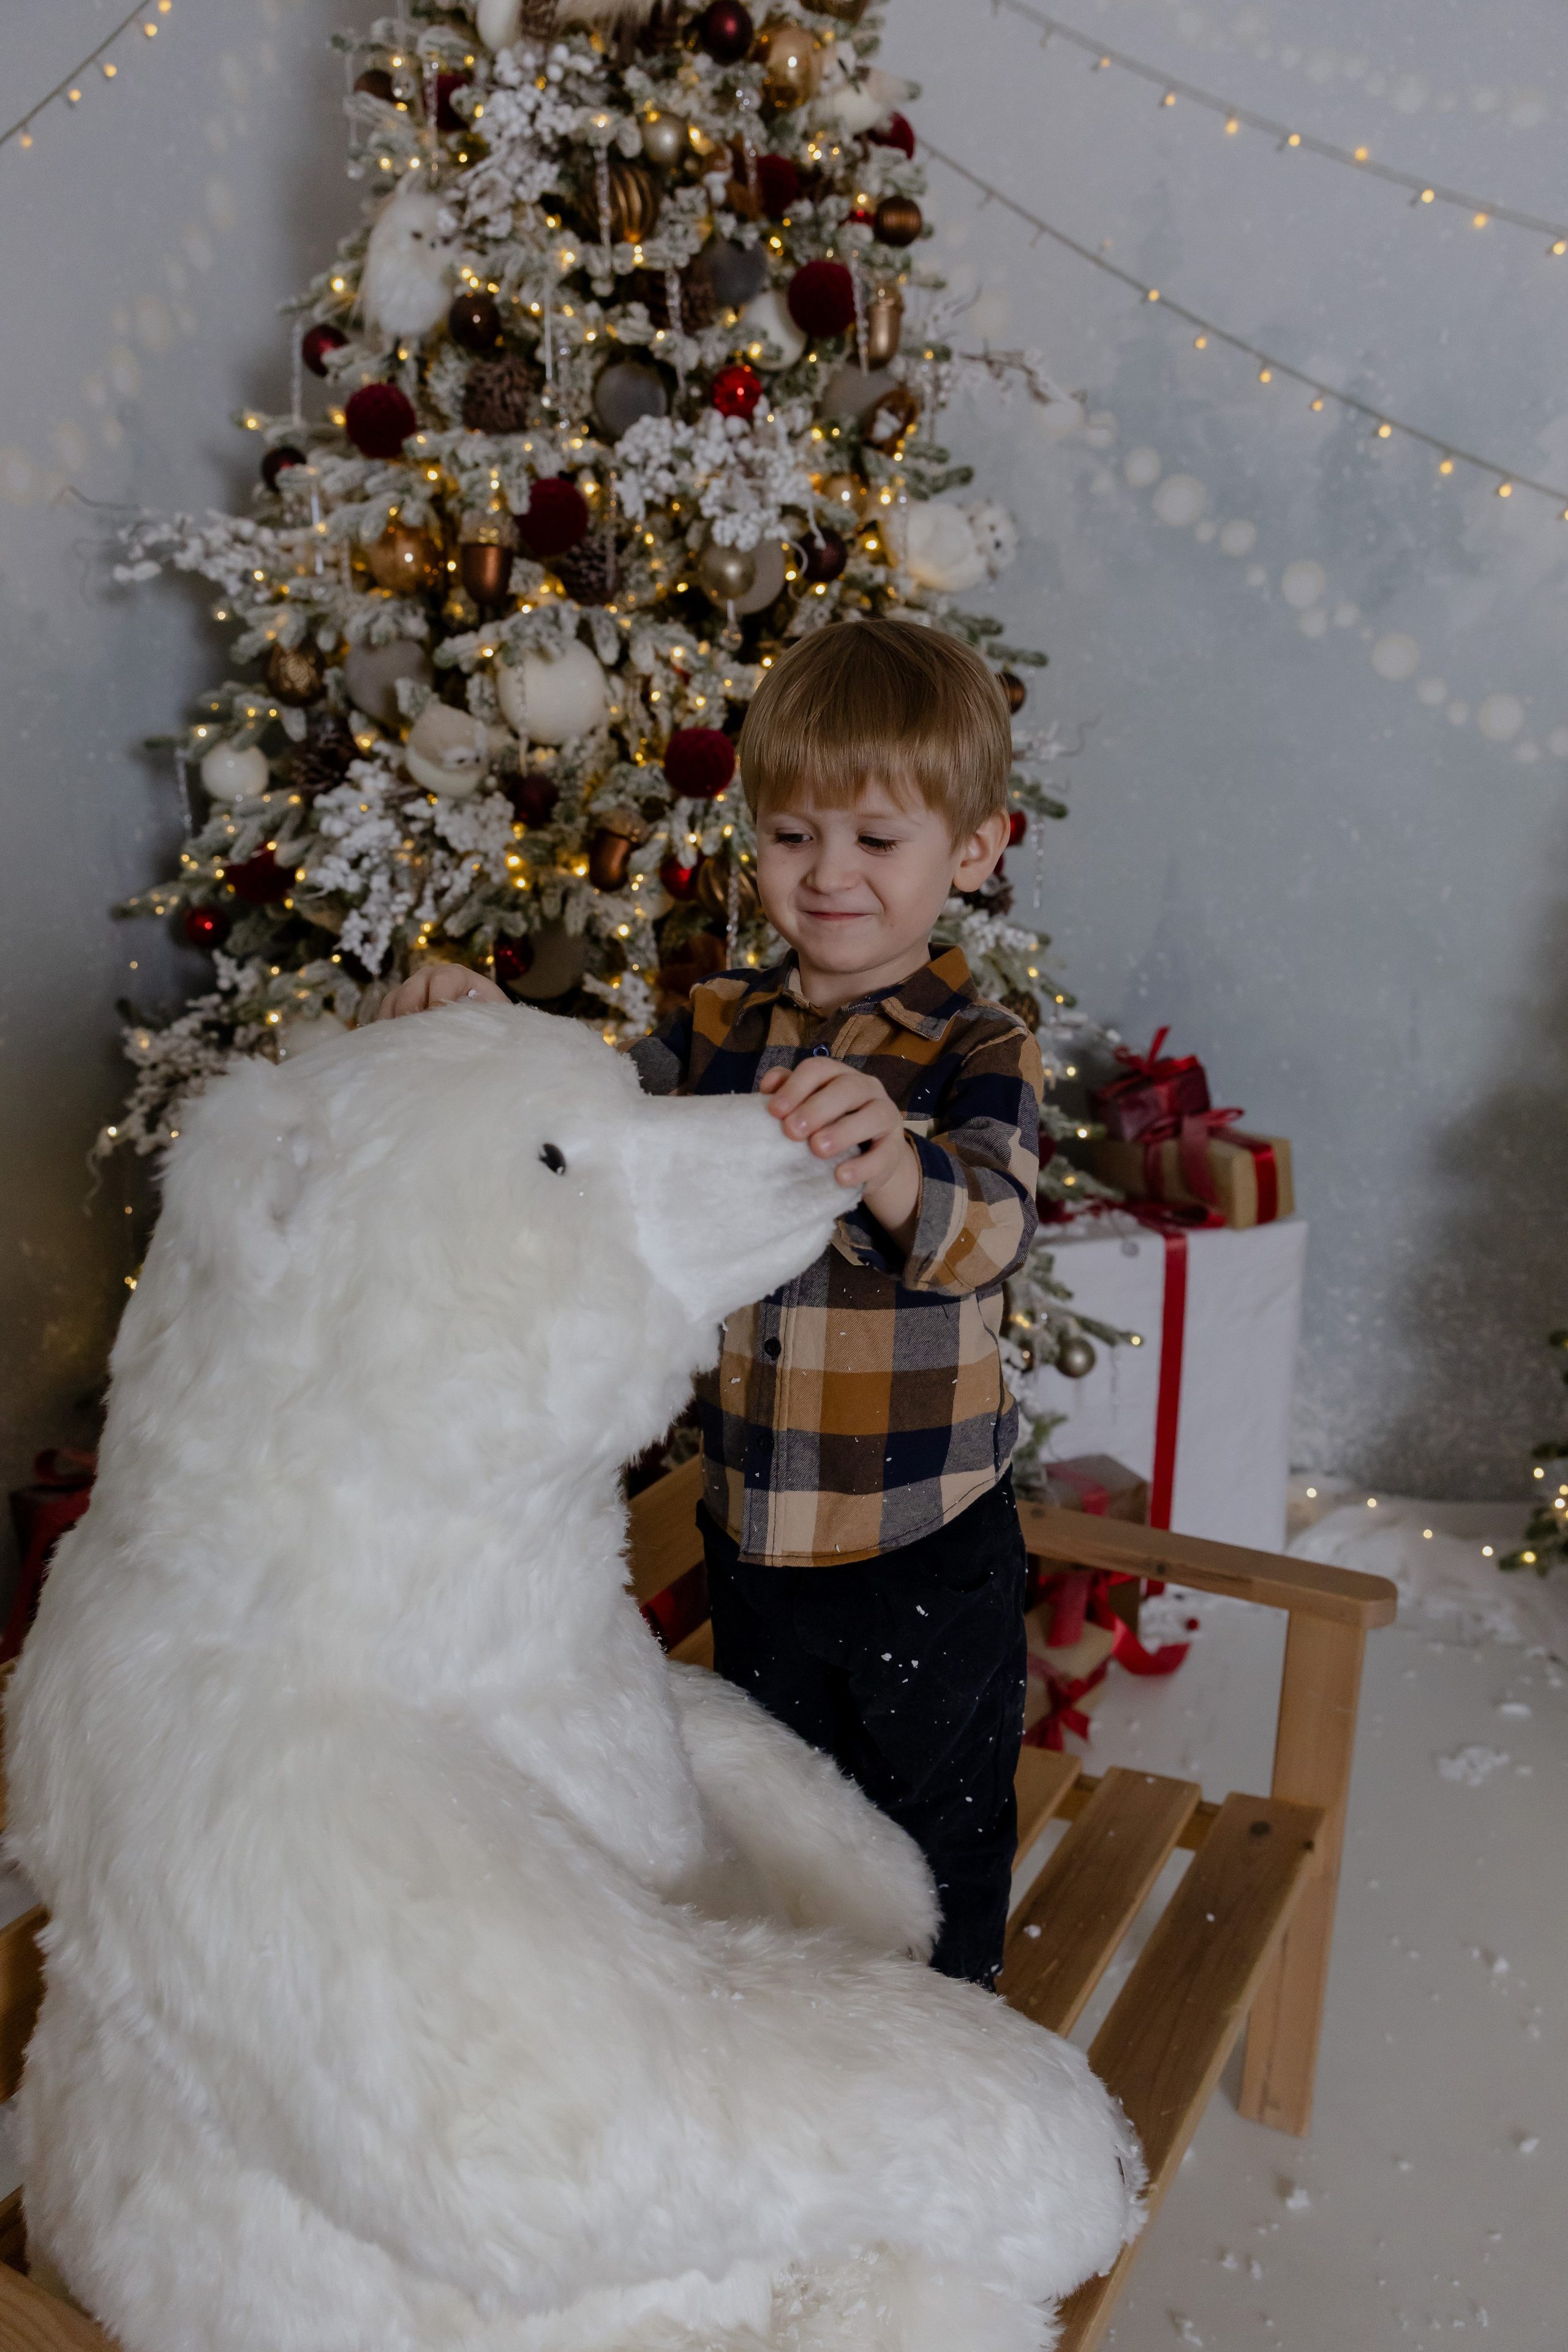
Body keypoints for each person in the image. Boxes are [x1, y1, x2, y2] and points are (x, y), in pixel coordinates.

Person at [382, 620, 1042, 1985]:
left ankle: (951, 2071)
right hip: (751, 1528)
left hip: (921, 1530)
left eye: (875, 840)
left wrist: (894, 1162)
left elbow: (988, 1232)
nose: (829, 874)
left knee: (936, 1827)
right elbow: (585, 1125)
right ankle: (792, 2047)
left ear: (971, 852)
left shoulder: (975, 1046)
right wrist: (475, 1028)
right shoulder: (720, 1024)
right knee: (776, 1821)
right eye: (794, 835)